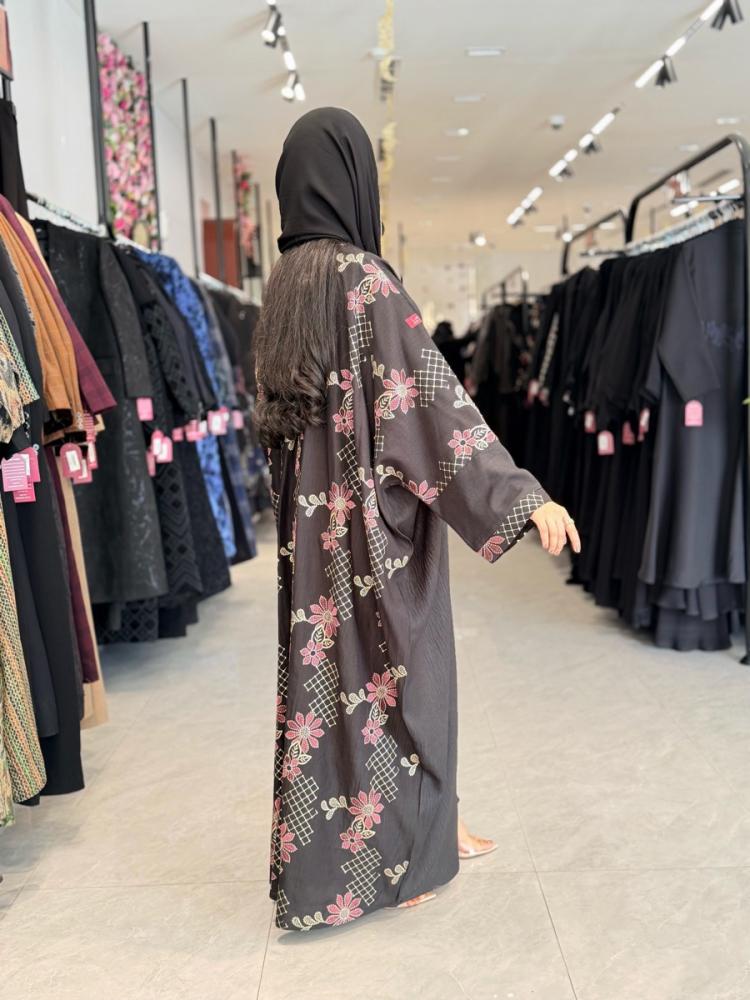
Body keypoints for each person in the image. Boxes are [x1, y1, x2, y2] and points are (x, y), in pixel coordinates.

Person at [254, 107, 580, 932]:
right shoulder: (364, 279)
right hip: (373, 532)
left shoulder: (283, 289)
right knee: (407, 682)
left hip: (311, 536)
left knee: (330, 694)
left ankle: (423, 830)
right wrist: (521, 496)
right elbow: (433, 405)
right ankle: (406, 861)